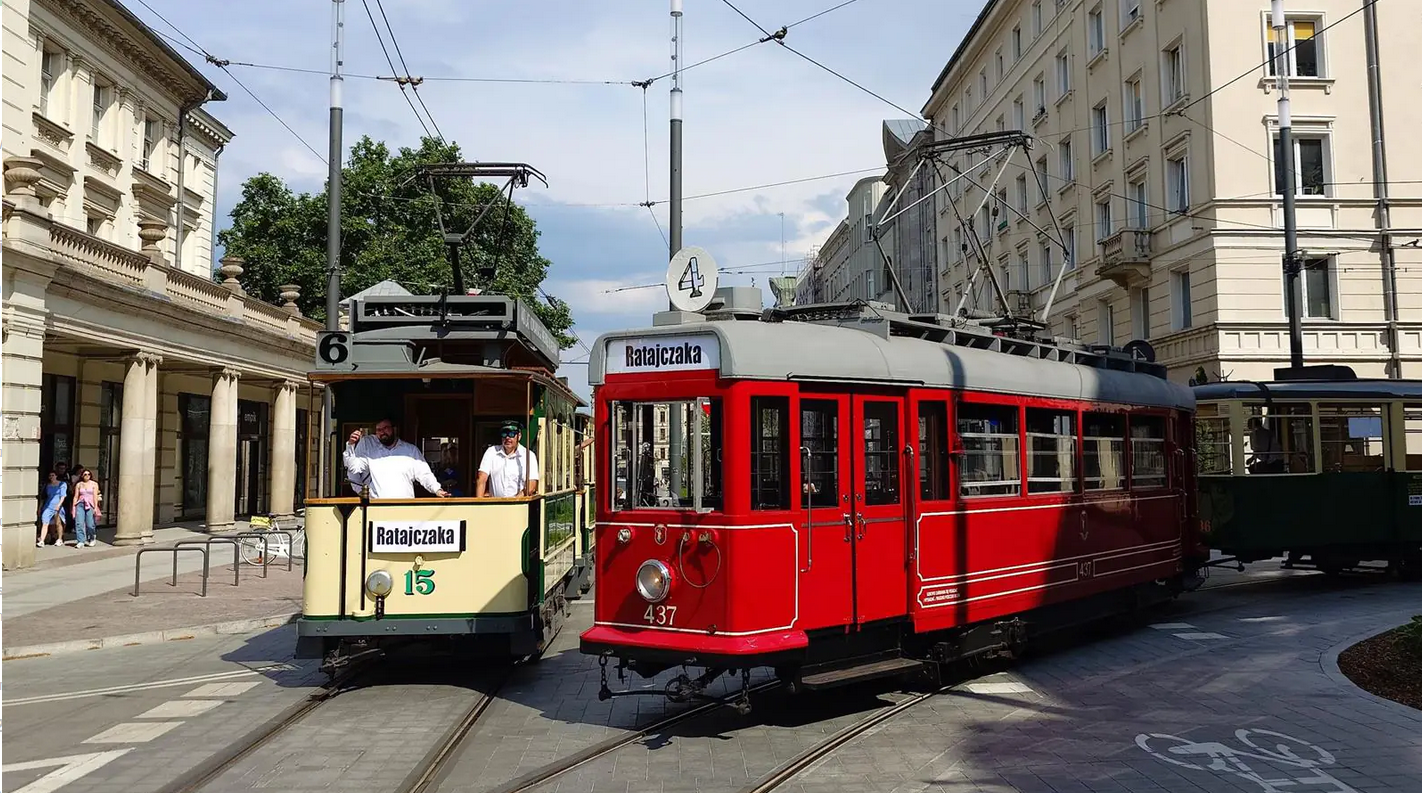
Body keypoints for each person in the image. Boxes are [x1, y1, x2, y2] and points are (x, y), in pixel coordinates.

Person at [343, 417, 450, 499]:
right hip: (378, 509)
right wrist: (351, 445)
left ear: (394, 429)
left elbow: (424, 474)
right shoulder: (372, 453)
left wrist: (437, 489)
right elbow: (353, 468)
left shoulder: (410, 450)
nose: (382, 432)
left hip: (404, 509)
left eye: (385, 428)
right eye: (378, 430)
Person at [476, 421, 540, 498]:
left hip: (519, 505)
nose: (507, 438)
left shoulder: (529, 455)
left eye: (511, 434)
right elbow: (481, 479)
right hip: (495, 505)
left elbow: (531, 485)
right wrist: (479, 504)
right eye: (504, 434)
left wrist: (515, 502)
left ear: (519, 436)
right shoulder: (491, 452)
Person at [71, 468, 101, 548]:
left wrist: (95, 507)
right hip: (80, 503)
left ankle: (92, 538)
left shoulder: (94, 484)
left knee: (90, 524)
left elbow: (95, 496)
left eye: (88, 474)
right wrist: (74, 507)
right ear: (82, 476)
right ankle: (81, 540)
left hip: (90, 504)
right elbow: (76, 496)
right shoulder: (79, 484)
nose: (87, 476)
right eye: (85, 474)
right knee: (79, 523)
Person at [37, 470, 67, 547]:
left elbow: (63, 496)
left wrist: (59, 505)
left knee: (58, 523)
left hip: (57, 506)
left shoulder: (62, 484)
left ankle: (60, 539)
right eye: (50, 475)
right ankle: (42, 540)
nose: (51, 477)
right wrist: (40, 508)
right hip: (48, 506)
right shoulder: (47, 485)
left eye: (53, 475)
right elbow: (44, 497)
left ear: (56, 476)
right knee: (45, 523)